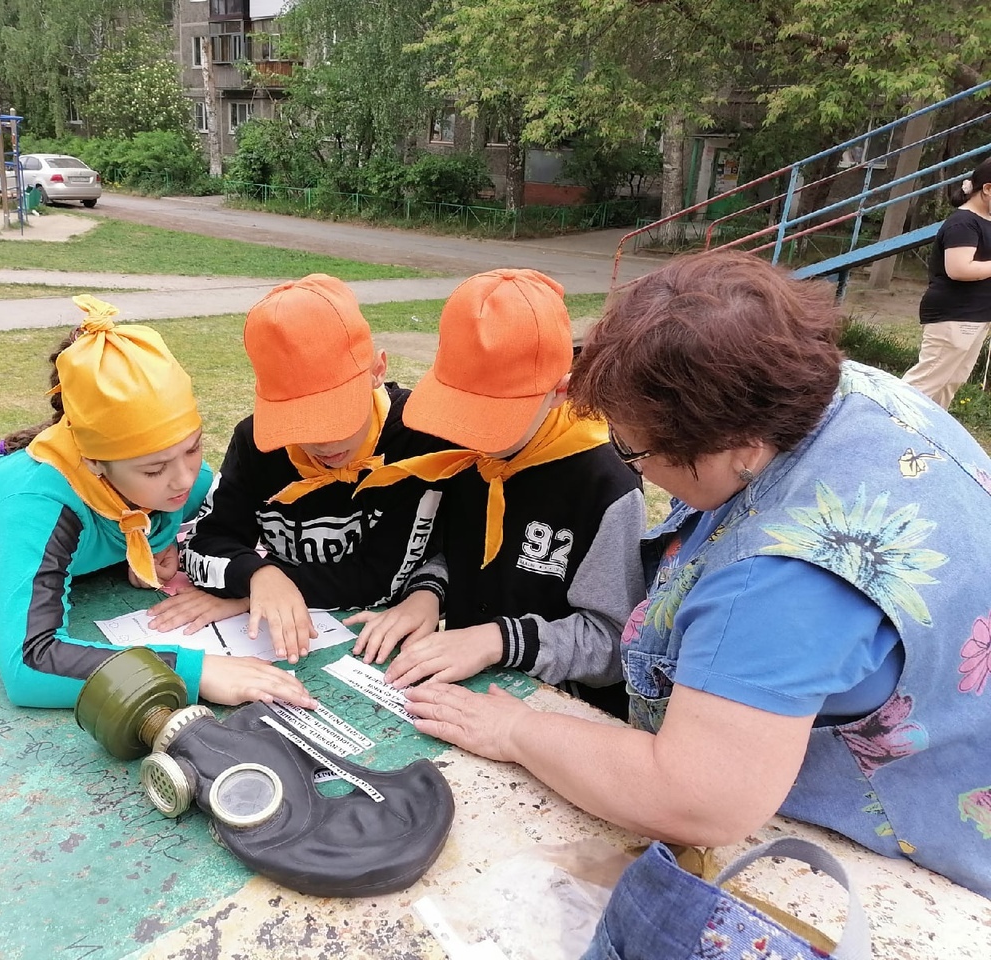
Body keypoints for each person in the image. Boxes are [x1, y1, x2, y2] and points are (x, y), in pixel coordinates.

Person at [405, 251, 991, 899]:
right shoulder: (843, 392)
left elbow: (696, 800)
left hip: (927, 840)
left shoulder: (779, 585)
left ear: (738, 447)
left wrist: (513, 729)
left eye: (634, 448)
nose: (632, 464)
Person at [0, 295, 313, 711]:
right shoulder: (34, 508)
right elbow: (29, 664)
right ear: (94, 462)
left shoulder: (184, 480)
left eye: (193, 448)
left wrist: (160, 543)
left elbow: (221, 521)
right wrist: (196, 673)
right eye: (153, 470)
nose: (184, 478)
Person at [351, 269, 646, 717]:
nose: (471, 432)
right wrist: (427, 594)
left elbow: (613, 643)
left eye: (492, 416)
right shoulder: (467, 450)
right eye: (462, 408)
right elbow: (455, 550)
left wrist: (499, 639)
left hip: (561, 712)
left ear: (560, 391)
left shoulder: (606, 487)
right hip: (470, 690)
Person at [155, 274, 448, 662]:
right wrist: (259, 577)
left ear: (377, 370)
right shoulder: (257, 441)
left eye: (336, 417)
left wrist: (253, 594)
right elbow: (205, 542)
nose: (324, 443)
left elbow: (381, 578)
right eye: (299, 423)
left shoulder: (417, 440)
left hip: (373, 635)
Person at [901, 157, 991, 408]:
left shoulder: (985, 221)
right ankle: (882, 430)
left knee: (949, 383)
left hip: (975, 317)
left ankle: (927, 437)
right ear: (987, 189)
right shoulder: (963, 223)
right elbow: (959, 268)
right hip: (954, 316)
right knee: (923, 384)